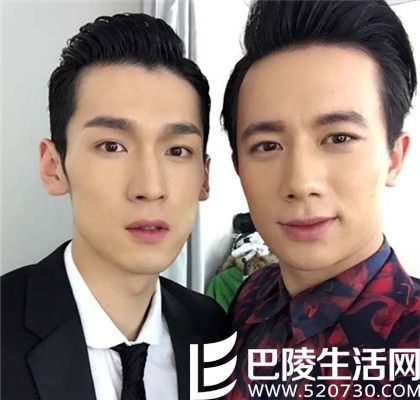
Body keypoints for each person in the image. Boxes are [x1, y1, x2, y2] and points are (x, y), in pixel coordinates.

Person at [1, 13, 227, 400]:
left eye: (177, 150)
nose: (150, 188)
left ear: (204, 177)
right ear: (54, 167)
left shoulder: (212, 330)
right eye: (112, 146)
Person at [221, 0, 419, 398]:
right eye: (267, 145)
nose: (300, 182)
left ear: (394, 158)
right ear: (238, 167)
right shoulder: (250, 298)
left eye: (338, 138)